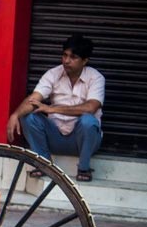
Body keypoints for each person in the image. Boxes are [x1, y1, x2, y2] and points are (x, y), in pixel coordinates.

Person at [7, 34, 104, 182]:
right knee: (28, 116)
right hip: (56, 137)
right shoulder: (53, 74)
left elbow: (91, 107)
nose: (66, 61)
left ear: (85, 61)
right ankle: (44, 164)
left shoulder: (96, 78)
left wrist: (52, 109)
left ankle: (84, 168)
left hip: (82, 141)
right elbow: (34, 99)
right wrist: (15, 115)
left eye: (73, 57)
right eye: (64, 55)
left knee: (88, 121)